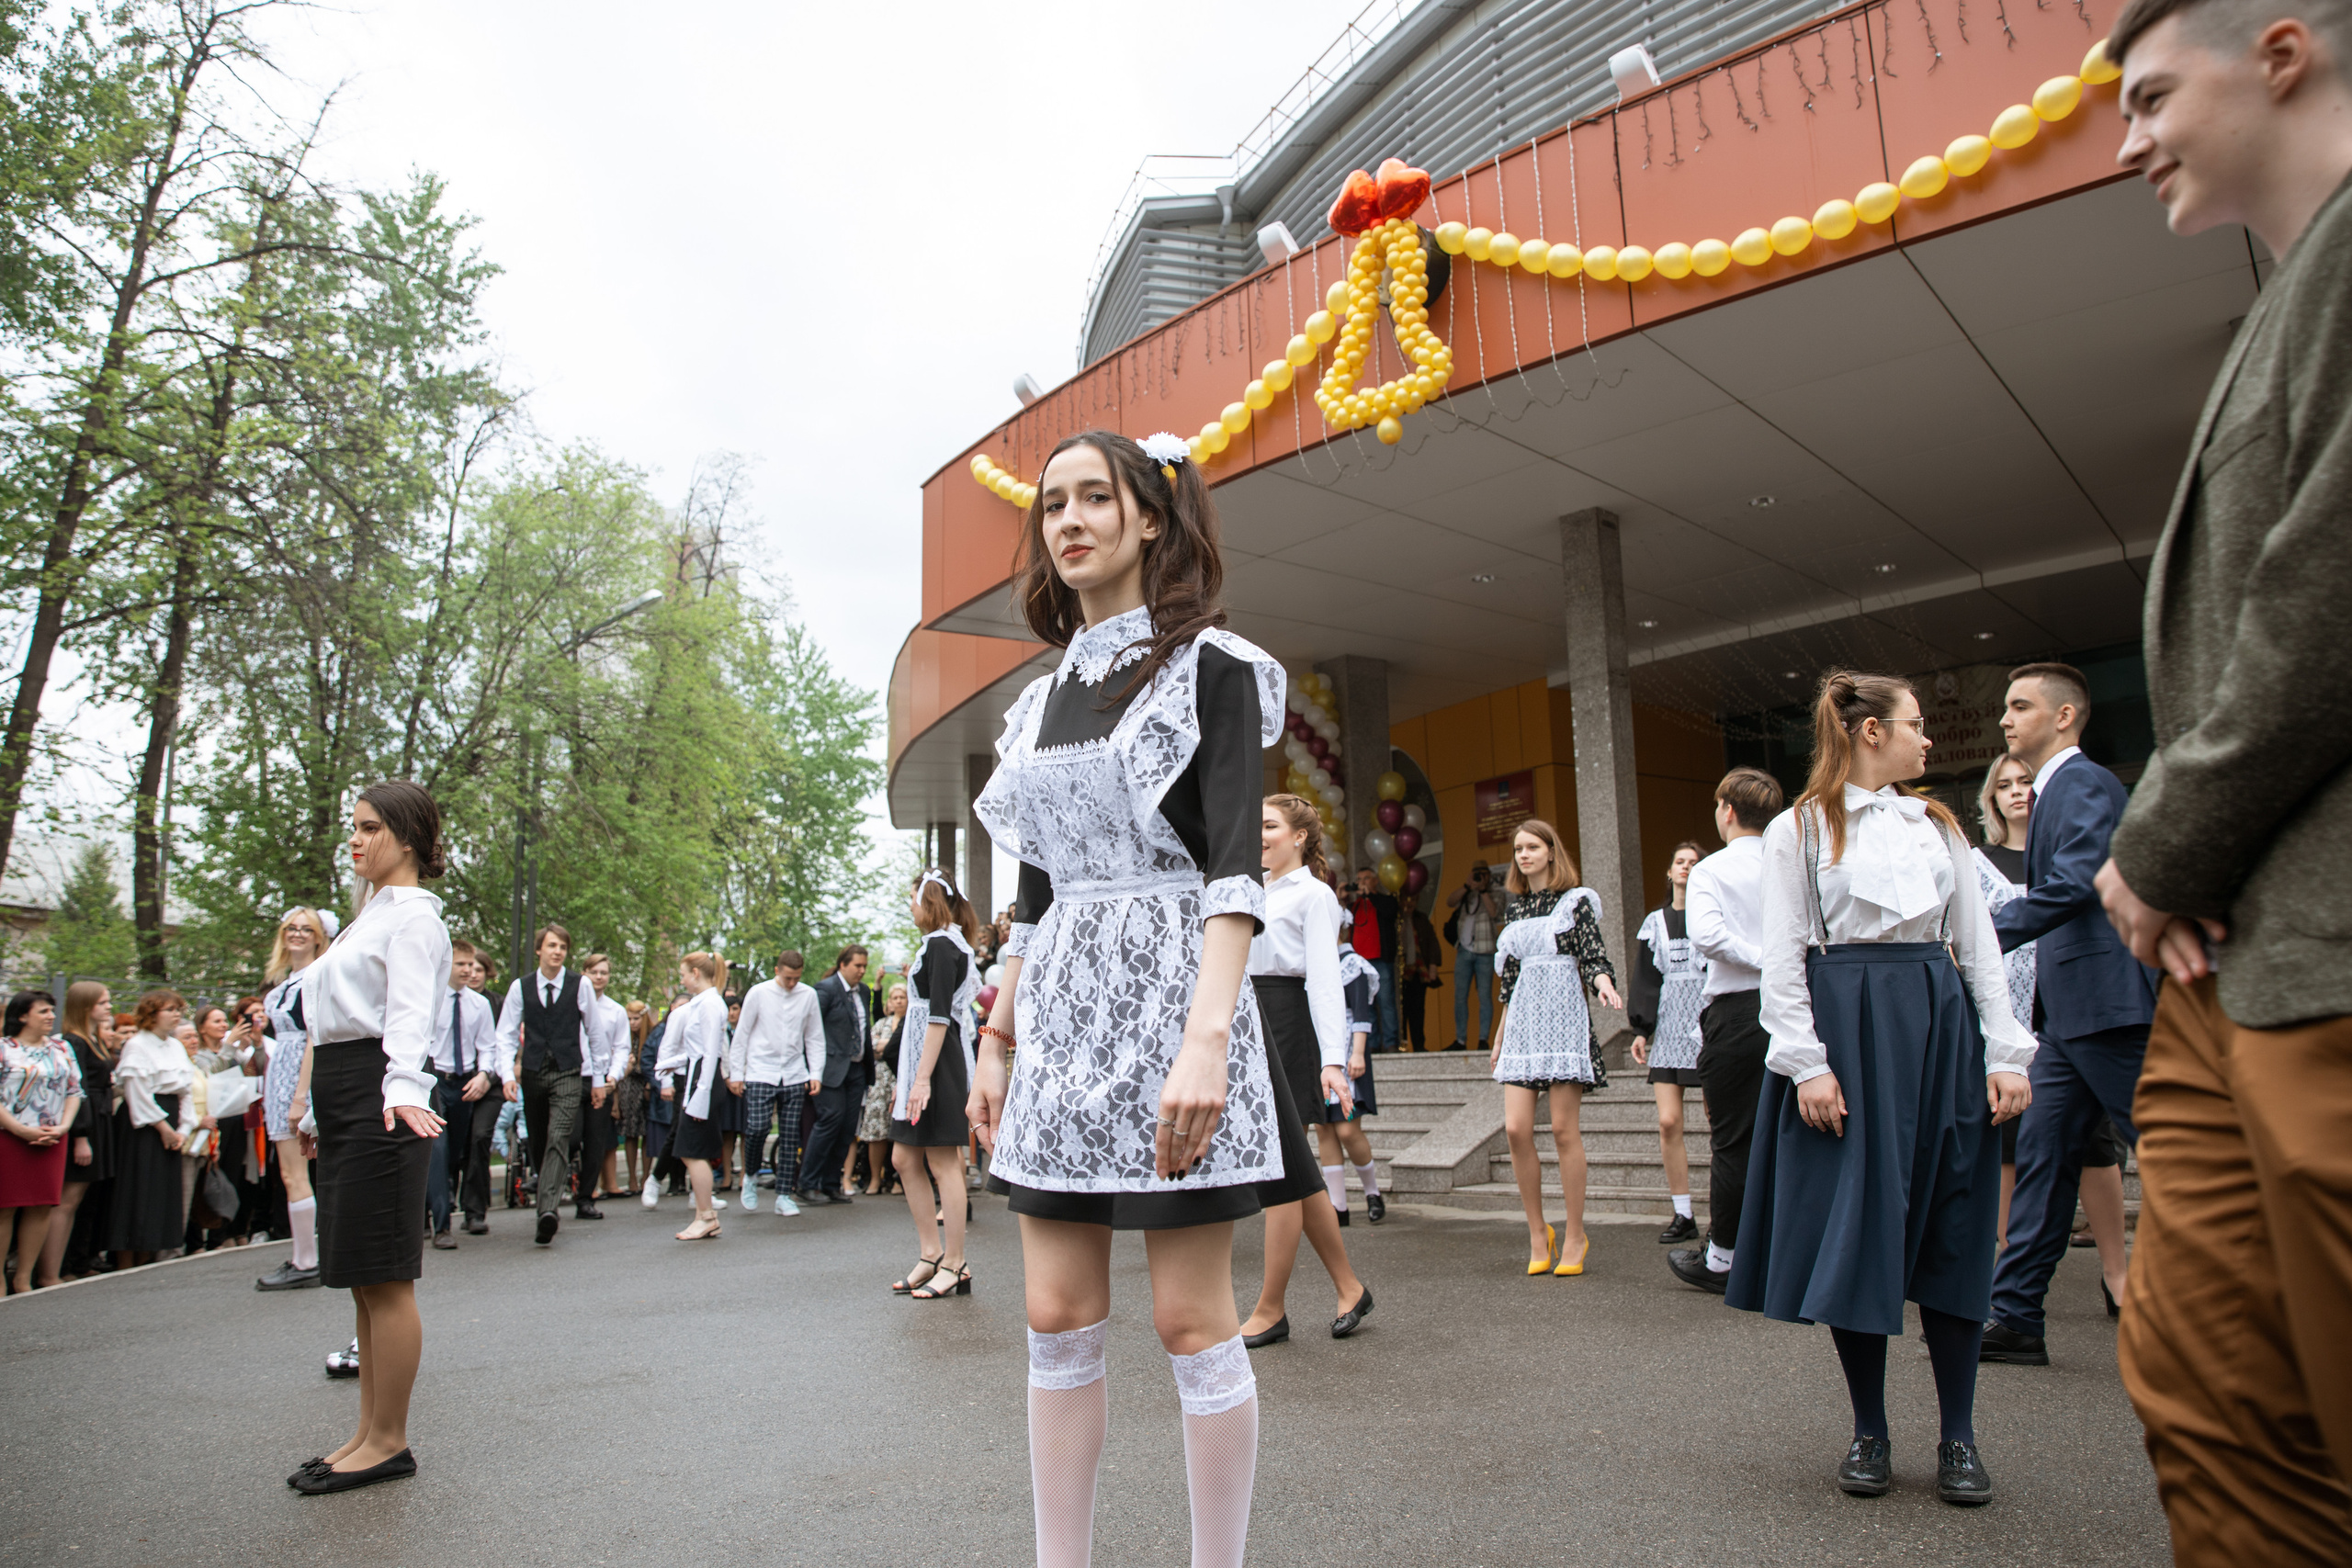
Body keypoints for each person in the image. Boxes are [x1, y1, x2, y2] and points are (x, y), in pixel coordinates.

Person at [968, 429, 1324, 1568]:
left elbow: (1235, 869)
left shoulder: (1218, 669)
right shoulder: (1036, 706)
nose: (1067, 521)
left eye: (1094, 499)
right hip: (1065, 1008)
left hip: (1180, 994)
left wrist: (1208, 1043)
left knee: (1189, 1319)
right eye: (1052, 504)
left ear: (1152, 518)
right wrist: (995, 1033)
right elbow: (1031, 894)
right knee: (1056, 1315)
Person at [2096, 4, 2352, 1554]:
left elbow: (2319, 598)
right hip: (2227, 971)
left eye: (2148, 95)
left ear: (2279, 51)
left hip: (2319, 949)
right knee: (2206, 1395)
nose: (2127, 141)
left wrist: (2160, 838)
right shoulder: (2287, 287)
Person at [1725, 673, 2034, 1506]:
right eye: (1916, 725)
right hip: (1848, 1033)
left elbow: (1978, 943)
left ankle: (1959, 1435)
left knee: (1957, 1222)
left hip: (1937, 1027)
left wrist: (2006, 1052)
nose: (1926, 739)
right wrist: (1808, 1063)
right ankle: (1870, 1428)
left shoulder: (1935, 822)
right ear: (1868, 733)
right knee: (1862, 1229)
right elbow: (1783, 955)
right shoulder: (1799, 827)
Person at [1974, 663, 2162, 1368]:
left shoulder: (2080, 781)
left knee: (2172, 1151)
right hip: (2068, 1017)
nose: (2005, 719)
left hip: (2108, 1008)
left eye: (2019, 705)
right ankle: (2017, 1315)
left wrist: (1985, 933)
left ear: (2064, 716)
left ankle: (2255, 1297)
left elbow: (2078, 880)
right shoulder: (2056, 789)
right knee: (2043, 1159)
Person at [284, 779, 453, 1494]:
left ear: (407, 837)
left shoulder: (413, 916)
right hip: (351, 1090)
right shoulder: (371, 914)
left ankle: (390, 1440)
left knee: (387, 1275)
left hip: (384, 1094)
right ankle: (364, 1432)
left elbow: (411, 1016)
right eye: (352, 827)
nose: (354, 839)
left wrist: (400, 1091)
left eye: (369, 827)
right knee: (362, 1277)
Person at [1239, 795, 1372, 1344]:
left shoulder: (1315, 895)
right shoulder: (1248, 889)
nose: (1259, 833)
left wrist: (1334, 1060)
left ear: (1299, 837)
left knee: (1279, 1171)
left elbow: (1323, 978)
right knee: (1296, 1170)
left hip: (1290, 1023)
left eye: (1269, 825)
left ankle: (1271, 1308)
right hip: (1250, 1020)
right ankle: (1349, 1287)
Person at [1489, 819, 1623, 1278]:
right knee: (1515, 1128)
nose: (1523, 855)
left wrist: (1603, 983)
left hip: (1564, 1019)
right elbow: (1509, 978)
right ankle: (1536, 1231)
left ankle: (1575, 1234)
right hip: (1524, 1023)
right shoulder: (1514, 910)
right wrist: (1501, 1033)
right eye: (1518, 849)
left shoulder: (1576, 902)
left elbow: (1593, 953)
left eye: (1532, 847)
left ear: (1551, 851)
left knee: (1565, 1130)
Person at [1668, 768, 1784, 1294]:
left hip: (1737, 1011)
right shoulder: (1792, 865)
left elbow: (1708, 936)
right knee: (1791, 1134)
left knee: (1734, 1139)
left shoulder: (1711, 870)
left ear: (1727, 810)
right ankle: (1785, 1252)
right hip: (1795, 1004)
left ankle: (1725, 1258)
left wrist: (1762, 961)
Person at [892, 871, 982, 1298]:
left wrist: (922, 1078)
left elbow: (940, 1016)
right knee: (904, 1159)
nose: (910, 907)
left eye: (913, 899)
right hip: (922, 1063)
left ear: (929, 902)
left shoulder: (945, 946)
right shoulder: (937, 944)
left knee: (944, 1161)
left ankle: (956, 1261)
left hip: (940, 1063)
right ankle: (931, 1253)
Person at [1972, 753, 2041, 1248]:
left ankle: (2115, 1274)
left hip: (2060, 1010)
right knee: (2007, 1141)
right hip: (2004, 1013)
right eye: (2005, 785)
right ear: (1992, 798)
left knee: (2091, 1145)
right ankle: (2002, 1258)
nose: (2017, 791)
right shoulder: (1978, 861)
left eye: (2027, 781)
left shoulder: (2063, 856)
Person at [1627, 840, 1708, 1246]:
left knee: (1720, 1124)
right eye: (1680, 861)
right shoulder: (1654, 922)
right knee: (1668, 1121)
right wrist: (1641, 1030)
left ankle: (1733, 1211)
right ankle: (1683, 1212)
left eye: (1695, 862)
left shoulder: (1713, 916)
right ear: (1669, 871)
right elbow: (1646, 980)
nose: (1687, 867)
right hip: (1671, 1030)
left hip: (1711, 1026)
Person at [493, 924, 591, 1246]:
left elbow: (596, 1032)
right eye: (551, 945)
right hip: (533, 1073)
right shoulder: (521, 987)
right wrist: (508, 1075)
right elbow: (506, 1035)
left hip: (568, 1070)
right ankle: (545, 1183)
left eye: (562, 946)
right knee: (537, 1140)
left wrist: (601, 1078)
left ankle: (547, 1210)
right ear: (539, 950)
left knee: (558, 1135)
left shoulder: (580, 985)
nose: (557, 951)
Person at [256, 907, 336, 1290]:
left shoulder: (315, 977)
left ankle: (307, 1260)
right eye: (292, 928)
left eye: (307, 929)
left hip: (296, 1078)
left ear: (320, 936)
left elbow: (313, 1038)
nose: (298, 934)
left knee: (295, 1171)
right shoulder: (283, 981)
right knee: (289, 1174)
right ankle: (303, 1255)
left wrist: (300, 1097)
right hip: (279, 1073)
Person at [727, 950, 826, 1219]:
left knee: (790, 1135)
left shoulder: (807, 995)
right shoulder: (758, 993)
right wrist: (736, 1072)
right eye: (788, 978)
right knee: (757, 1127)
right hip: (761, 1070)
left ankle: (784, 1193)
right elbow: (743, 1032)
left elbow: (815, 1036)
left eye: (796, 978)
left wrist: (815, 1072)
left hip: (794, 1073)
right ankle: (750, 1174)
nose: (792, 983)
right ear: (776, 970)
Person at [0, 990, 81, 1292]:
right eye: (43, 1011)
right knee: (4, 1207)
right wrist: (20, 1131)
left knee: (41, 1206)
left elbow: (74, 1091)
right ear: (22, 1016)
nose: (50, 1016)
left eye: (52, 1011)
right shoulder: (4, 1049)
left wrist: (63, 1127)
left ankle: (24, 1277)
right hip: (9, 1137)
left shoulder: (61, 1047)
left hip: (51, 1138)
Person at [37, 982, 114, 1285]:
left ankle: (72, 1263)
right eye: (103, 1002)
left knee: (81, 1200)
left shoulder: (90, 1039)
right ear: (86, 1006)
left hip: (98, 1119)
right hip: (86, 1122)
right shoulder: (74, 1042)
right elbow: (76, 1090)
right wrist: (81, 1135)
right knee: (67, 1200)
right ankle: (49, 1272)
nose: (109, 1006)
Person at [108, 990, 193, 1266]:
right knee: (137, 1186)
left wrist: (184, 1127)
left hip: (171, 1118)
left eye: (178, 1009)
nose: (176, 1014)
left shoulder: (176, 1046)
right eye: (170, 1009)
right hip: (144, 1125)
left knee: (161, 1189)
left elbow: (187, 1090)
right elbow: (137, 1092)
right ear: (152, 1013)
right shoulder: (137, 1045)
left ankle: (150, 1254)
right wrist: (164, 1128)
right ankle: (125, 1257)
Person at [425, 940, 496, 1250]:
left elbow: (488, 1046)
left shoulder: (478, 1004)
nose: (468, 970)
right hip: (435, 1081)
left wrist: (484, 1075)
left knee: (456, 1153)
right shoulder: (430, 997)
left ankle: (447, 1203)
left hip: (465, 1084)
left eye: (471, 965)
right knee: (437, 1153)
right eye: (461, 964)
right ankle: (440, 1226)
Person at [658, 952, 730, 1241]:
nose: (682, 979)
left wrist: (700, 1094)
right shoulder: (703, 1004)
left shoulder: (710, 1004)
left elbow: (711, 1050)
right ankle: (705, 1215)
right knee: (691, 1150)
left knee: (693, 1151)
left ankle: (706, 1216)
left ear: (697, 973)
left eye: (684, 974)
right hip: (699, 1078)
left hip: (704, 1080)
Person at [804, 946, 871, 1208]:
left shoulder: (863, 991)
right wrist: (811, 1068)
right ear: (843, 965)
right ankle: (808, 1183)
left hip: (856, 1069)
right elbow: (810, 1030)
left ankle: (831, 1184)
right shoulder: (825, 989)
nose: (862, 971)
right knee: (829, 1122)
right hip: (830, 1069)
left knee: (847, 1128)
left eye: (864, 966)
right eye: (857, 966)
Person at [1329, 940, 1384, 1223]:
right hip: (1319, 1048)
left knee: (1348, 1130)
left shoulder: (1353, 964)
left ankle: (1372, 1191)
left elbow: (1361, 1012)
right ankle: (1338, 1207)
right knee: (1326, 1128)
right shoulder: (1312, 960)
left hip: (1348, 1048)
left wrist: (1359, 1053)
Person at [1344, 866, 1402, 1053]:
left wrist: (1371, 896)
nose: (1362, 882)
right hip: (1359, 962)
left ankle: (1391, 1043)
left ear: (1375, 880)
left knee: (1386, 1002)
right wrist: (1341, 895)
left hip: (1380, 959)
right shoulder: (1354, 905)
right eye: (1359, 879)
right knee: (1366, 1005)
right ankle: (1372, 1044)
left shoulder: (1384, 900)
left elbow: (1391, 912)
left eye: (1366, 878)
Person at [1447, 863, 1503, 1049]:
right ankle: (1460, 1040)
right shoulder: (1467, 893)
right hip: (1464, 950)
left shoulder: (1495, 893)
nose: (1479, 878)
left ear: (1489, 876)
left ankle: (1483, 1039)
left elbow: (1495, 912)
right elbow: (1450, 902)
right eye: (1476, 874)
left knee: (1485, 996)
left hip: (1485, 951)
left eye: (1483, 875)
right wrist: (1467, 886)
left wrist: (1483, 891)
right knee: (1459, 996)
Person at [856, 984, 903, 1195]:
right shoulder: (881, 1023)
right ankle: (876, 1178)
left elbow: (892, 1048)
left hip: (901, 1079)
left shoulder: (911, 1023)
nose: (899, 1000)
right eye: (895, 997)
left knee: (901, 1131)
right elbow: (871, 1048)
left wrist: (885, 1046)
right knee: (877, 1131)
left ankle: (899, 1179)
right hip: (880, 1081)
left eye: (903, 996)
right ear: (889, 1002)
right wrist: (889, 1044)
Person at [1395, 893, 1438, 1052]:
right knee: (1401, 1011)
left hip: (1419, 972)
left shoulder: (1421, 919)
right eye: (1406, 899)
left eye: (1412, 899)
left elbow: (1432, 942)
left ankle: (1419, 1045)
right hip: (1400, 974)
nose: (1409, 902)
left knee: (1418, 1011)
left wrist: (1433, 966)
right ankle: (1401, 1045)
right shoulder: (1396, 919)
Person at [617, 1000, 652, 1196]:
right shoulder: (624, 1037)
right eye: (629, 1019)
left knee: (647, 1132)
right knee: (630, 1133)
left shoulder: (653, 1035)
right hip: (628, 1089)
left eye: (636, 1019)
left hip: (646, 1088)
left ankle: (646, 1176)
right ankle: (632, 1177)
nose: (632, 1023)